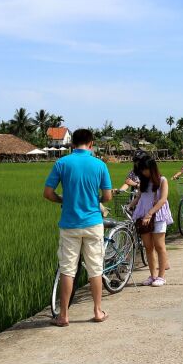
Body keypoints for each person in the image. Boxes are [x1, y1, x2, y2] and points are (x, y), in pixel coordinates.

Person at [43, 129, 112, 326]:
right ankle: (98, 311)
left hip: (69, 224)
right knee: (95, 269)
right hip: (93, 223)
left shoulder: (62, 163)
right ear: (91, 144)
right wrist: (94, 201)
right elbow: (107, 197)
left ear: (72, 144)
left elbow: (48, 193)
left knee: (67, 270)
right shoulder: (99, 165)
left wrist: (63, 200)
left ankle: (64, 315)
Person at [129, 156, 173, 287]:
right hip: (143, 216)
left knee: (160, 246)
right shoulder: (143, 182)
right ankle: (153, 275)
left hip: (157, 216)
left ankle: (161, 276)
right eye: (142, 170)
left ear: (152, 168)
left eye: (145, 169)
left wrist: (149, 213)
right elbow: (139, 196)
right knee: (148, 247)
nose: (143, 172)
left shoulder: (162, 180)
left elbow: (163, 199)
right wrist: (130, 205)